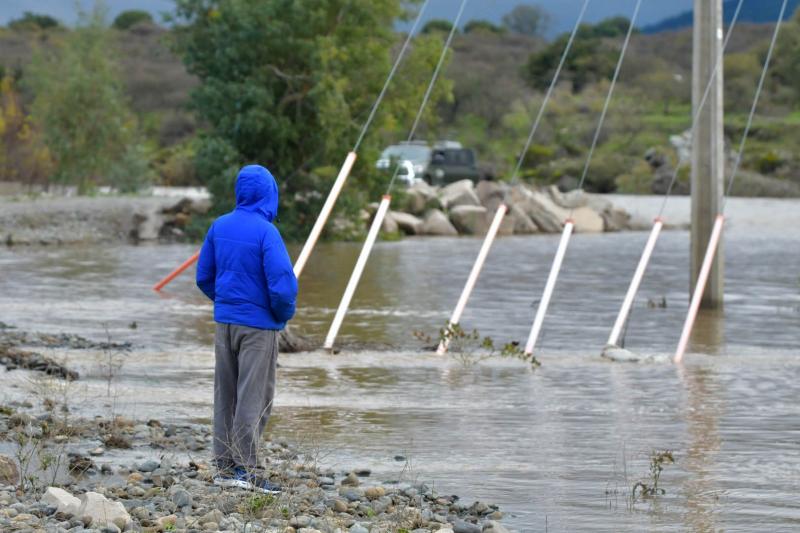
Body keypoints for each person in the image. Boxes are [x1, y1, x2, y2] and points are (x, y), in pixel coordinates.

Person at [196, 164, 298, 494]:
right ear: (270, 194)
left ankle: (224, 466)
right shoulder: (267, 232)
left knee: (225, 394)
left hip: (225, 324)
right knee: (254, 396)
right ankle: (248, 470)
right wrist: (281, 317)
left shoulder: (219, 225)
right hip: (258, 328)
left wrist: (226, 302)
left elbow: (204, 277)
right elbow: (282, 285)